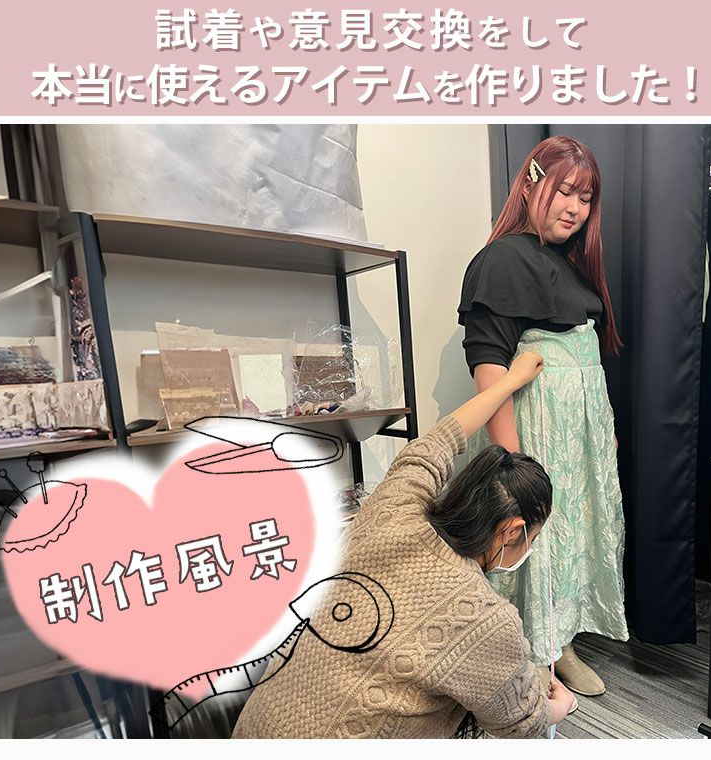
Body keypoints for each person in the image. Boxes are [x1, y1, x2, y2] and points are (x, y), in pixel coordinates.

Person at [233, 351, 576, 739]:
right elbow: (521, 721)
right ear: (512, 531)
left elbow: (441, 439)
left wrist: (511, 381)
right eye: (533, 538)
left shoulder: (395, 504)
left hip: (255, 728)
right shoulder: (486, 621)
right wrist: (561, 706)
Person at [457, 135, 629, 704]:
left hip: (579, 438)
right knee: (533, 536)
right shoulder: (503, 260)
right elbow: (491, 369)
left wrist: (602, 432)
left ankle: (560, 640)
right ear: (532, 183)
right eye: (565, 191)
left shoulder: (571, 264)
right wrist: (513, 466)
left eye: (586, 197)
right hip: (538, 431)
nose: (575, 208)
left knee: (572, 535)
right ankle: (530, 656)